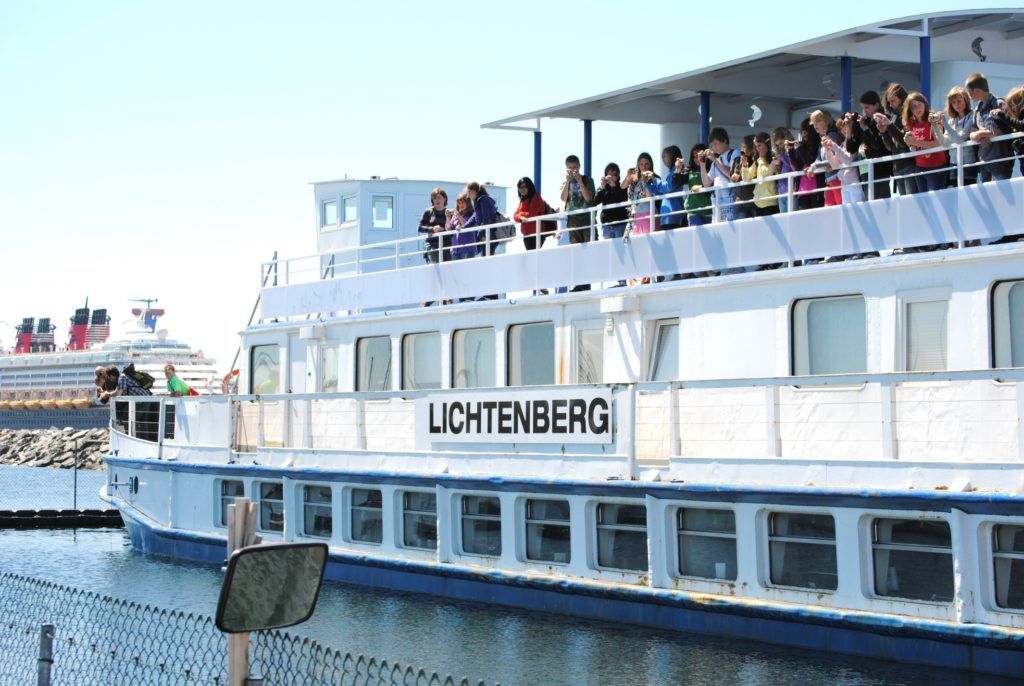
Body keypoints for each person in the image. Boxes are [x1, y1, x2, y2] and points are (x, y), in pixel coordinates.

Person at [968, 73, 1014, 182]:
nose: (969, 94)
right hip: (983, 161)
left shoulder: (999, 104)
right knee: (987, 199)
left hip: (1001, 160)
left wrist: (981, 134)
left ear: (977, 90)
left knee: (1002, 198)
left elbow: (1005, 130)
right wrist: (981, 136)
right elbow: (972, 134)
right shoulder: (977, 110)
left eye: (970, 91)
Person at [902, 92, 948, 193]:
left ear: (925, 104)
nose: (917, 108)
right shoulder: (912, 124)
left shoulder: (933, 120)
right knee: (925, 201)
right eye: (913, 106)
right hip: (920, 167)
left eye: (919, 104)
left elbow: (939, 143)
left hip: (936, 166)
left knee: (934, 201)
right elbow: (915, 148)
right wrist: (910, 144)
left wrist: (916, 142)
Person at [932, 86, 977, 185]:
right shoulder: (952, 120)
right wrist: (934, 125)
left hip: (968, 163)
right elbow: (944, 143)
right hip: (954, 164)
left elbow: (960, 139)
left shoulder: (972, 115)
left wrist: (945, 124)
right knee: (957, 197)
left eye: (959, 101)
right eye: (953, 102)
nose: (956, 105)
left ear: (966, 100)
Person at [875, 83, 914, 195]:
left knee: (911, 203)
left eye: (893, 101)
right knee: (904, 204)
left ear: (902, 99)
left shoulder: (909, 115)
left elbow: (904, 143)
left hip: (908, 164)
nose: (890, 105)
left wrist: (890, 125)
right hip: (898, 166)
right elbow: (890, 147)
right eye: (889, 102)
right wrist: (884, 133)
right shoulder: (894, 117)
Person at [855, 90, 893, 200]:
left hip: (881, 167)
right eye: (863, 108)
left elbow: (877, 144)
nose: (864, 111)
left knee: (880, 200)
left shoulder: (883, 118)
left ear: (877, 104)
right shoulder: (867, 121)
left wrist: (865, 128)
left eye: (867, 107)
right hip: (870, 167)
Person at [699, 128, 742, 221]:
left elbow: (732, 174)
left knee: (729, 228)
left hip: (729, 198)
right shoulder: (716, 160)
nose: (714, 147)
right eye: (712, 145)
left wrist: (714, 159)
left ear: (724, 140)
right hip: (716, 198)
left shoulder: (734, 153)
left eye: (716, 143)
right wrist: (702, 165)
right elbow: (706, 183)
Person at [821, 114, 866, 203]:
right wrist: (828, 150)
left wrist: (833, 145)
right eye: (841, 127)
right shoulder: (843, 143)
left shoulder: (855, 141)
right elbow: (835, 165)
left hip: (854, 182)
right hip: (844, 183)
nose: (842, 129)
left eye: (844, 125)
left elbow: (849, 160)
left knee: (858, 213)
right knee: (848, 214)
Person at [809, 110, 844, 206]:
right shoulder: (824, 138)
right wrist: (811, 167)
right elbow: (821, 159)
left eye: (818, 121)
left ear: (827, 121)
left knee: (839, 209)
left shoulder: (831, 136)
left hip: (837, 178)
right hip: (830, 180)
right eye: (814, 122)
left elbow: (835, 160)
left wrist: (814, 166)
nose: (815, 125)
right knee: (830, 210)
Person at [559, 155, 596, 244]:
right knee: (575, 249)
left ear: (579, 166)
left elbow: (588, 198)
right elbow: (563, 198)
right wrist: (568, 181)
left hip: (587, 218)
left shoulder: (587, 180)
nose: (572, 170)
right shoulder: (565, 183)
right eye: (570, 168)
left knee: (591, 245)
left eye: (575, 167)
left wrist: (580, 181)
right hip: (573, 219)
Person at [788, 118, 823, 210]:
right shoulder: (802, 146)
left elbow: (811, 163)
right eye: (802, 130)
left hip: (816, 188)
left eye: (806, 129)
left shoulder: (818, 145)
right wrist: (790, 151)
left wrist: (800, 149)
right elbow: (797, 167)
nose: (804, 133)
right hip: (802, 190)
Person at [622, 152, 658, 237]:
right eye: (641, 164)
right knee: (634, 243)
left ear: (650, 165)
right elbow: (623, 186)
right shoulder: (634, 178)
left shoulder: (654, 177)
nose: (644, 167)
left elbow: (649, 196)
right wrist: (628, 175)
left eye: (646, 164)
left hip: (648, 213)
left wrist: (646, 181)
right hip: (635, 214)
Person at [652, 145, 688, 230]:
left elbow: (668, 187)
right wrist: (648, 183)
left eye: (665, 156)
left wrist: (654, 179)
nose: (662, 159)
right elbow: (660, 192)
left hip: (673, 213)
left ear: (673, 157)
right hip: (667, 214)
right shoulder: (671, 173)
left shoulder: (678, 171)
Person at [992, 84, 1024, 177]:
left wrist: (1003, 116)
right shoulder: (1017, 117)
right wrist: (999, 121)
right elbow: (1012, 132)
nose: (1012, 108)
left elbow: (1022, 125)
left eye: (1013, 104)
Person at [512, 177, 551, 251]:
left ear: (529, 187)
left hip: (536, 234)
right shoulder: (523, 200)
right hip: (527, 234)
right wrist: (520, 217)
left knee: (532, 258)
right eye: (520, 187)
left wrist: (520, 214)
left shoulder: (536, 197)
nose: (522, 189)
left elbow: (531, 214)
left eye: (524, 187)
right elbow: (515, 215)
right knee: (531, 258)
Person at [746, 132, 779, 216]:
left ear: (767, 144)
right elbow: (746, 178)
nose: (758, 148)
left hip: (771, 201)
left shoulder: (774, 158)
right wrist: (744, 166)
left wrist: (763, 159)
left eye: (760, 145)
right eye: (756, 146)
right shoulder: (758, 160)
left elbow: (766, 173)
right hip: (758, 202)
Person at [464, 182, 500, 256]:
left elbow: (486, 220)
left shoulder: (483, 200)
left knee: (486, 259)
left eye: (468, 192)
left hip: (488, 234)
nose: (468, 195)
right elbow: (474, 217)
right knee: (486, 258)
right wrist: (464, 226)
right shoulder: (479, 201)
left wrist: (480, 234)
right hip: (486, 233)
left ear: (473, 191)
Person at [594, 163, 629, 239]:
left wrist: (613, 186)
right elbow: (595, 201)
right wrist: (602, 187)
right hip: (607, 224)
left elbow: (622, 199)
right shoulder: (603, 188)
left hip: (620, 223)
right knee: (608, 249)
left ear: (618, 176)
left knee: (621, 248)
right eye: (609, 174)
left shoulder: (622, 186)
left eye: (614, 174)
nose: (612, 177)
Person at [418, 188, 450, 265]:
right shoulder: (428, 212)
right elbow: (420, 228)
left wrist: (443, 229)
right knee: (436, 265)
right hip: (433, 244)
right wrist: (432, 229)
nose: (436, 200)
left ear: (444, 199)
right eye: (434, 198)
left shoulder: (449, 213)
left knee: (450, 267)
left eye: (439, 197)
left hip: (448, 244)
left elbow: (452, 228)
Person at [683, 144, 712, 227]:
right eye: (694, 157)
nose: (697, 159)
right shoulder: (689, 169)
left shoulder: (711, 168)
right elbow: (678, 179)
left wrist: (701, 187)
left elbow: (712, 184)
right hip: (693, 209)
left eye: (699, 156)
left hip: (709, 210)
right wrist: (678, 169)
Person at [447, 192, 478, 261]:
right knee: (456, 272)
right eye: (459, 203)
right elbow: (448, 229)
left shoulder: (472, 214)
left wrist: (458, 216)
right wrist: (448, 217)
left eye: (463, 202)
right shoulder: (455, 216)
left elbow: (468, 226)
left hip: (467, 249)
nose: (460, 205)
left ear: (468, 203)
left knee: (467, 271)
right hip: (455, 250)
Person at [733, 135, 757, 219]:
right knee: (741, 229)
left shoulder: (756, 159)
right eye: (741, 146)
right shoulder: (737, 159)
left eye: (744, 146)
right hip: (740, 202)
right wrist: (734, 177)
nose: (741, 149)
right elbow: (733, 176)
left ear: (751, 147)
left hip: (754, 202)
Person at [771, 127, 796, 213]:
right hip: (782, 191)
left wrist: (782, 157)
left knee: (794, 220)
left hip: (792, 189)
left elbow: (794, 166)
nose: (779, 146)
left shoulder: (795, 148)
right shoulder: (781, 152)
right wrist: (777, 165)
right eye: (777, 145)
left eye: (780, 143)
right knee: (784, 222)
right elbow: (780, 172)